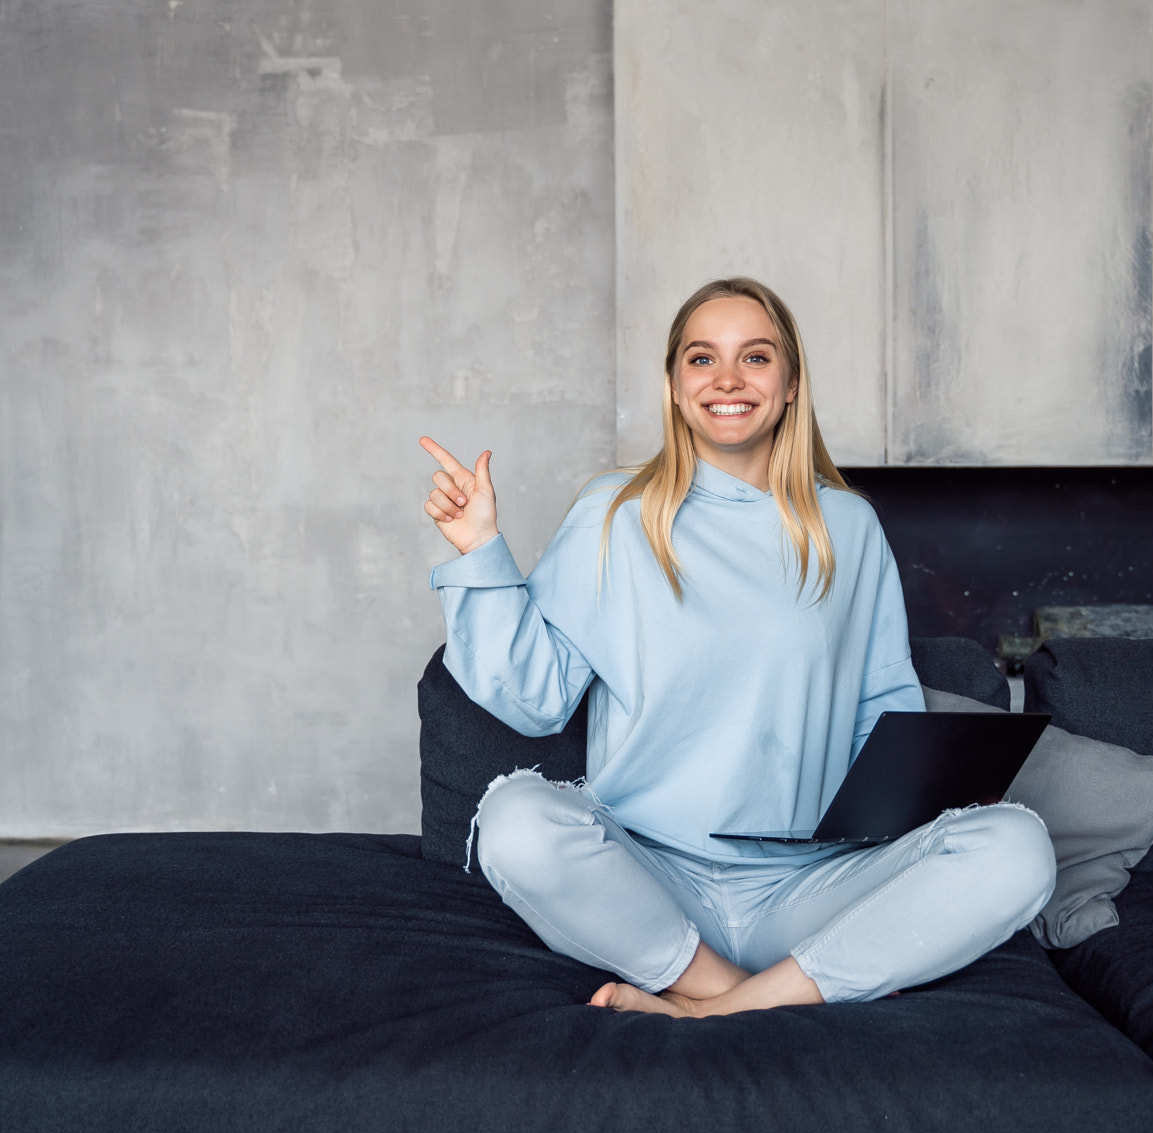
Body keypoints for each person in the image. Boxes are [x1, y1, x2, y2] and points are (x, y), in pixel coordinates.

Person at [419, 277, 1053, 1018]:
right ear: (675, 385)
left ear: (788, 385)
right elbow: (533, 698)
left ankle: (714, 1009)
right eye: (701, 359)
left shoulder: (848, 528)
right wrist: (480, 553)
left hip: (811, 888)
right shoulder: (614, 515)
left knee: (1018, 843)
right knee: (515, 820)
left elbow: (884, 704)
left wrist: (932, 803)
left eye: (754, 357)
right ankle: (741, 995)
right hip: (652, 882)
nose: (726, 380)